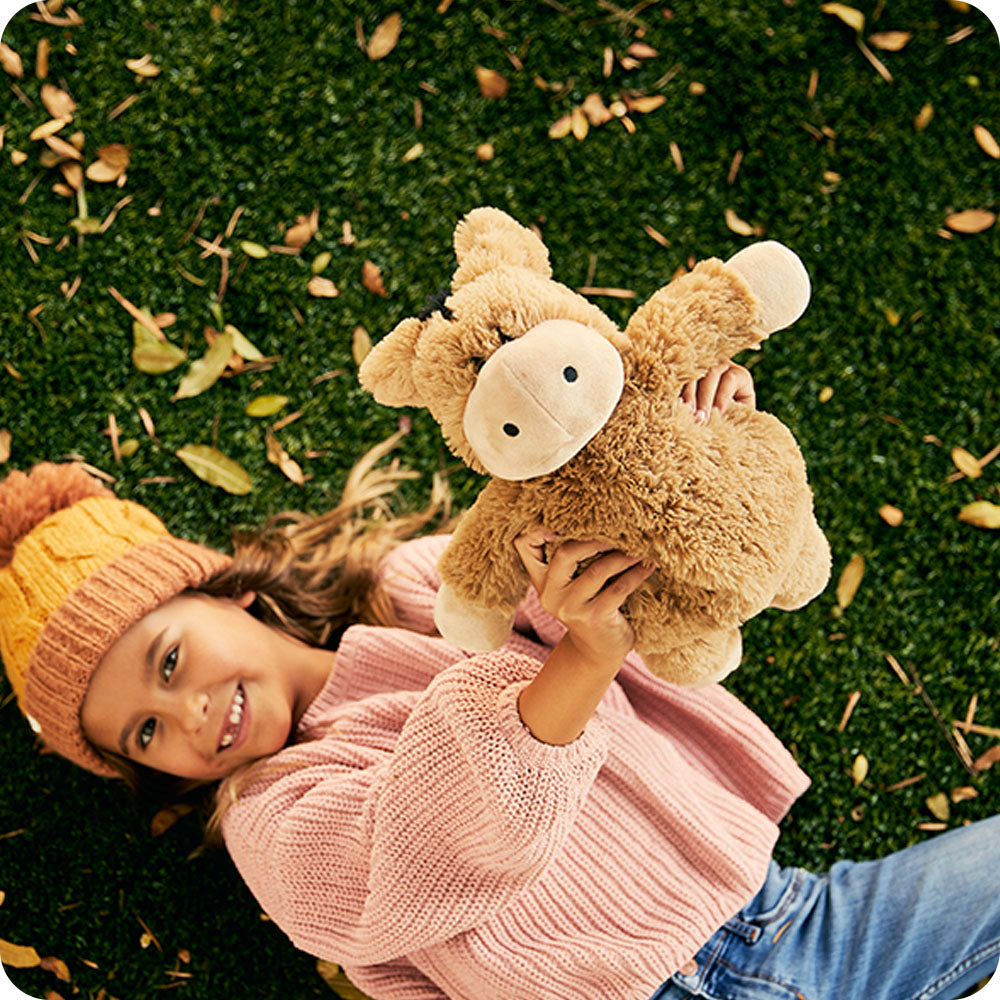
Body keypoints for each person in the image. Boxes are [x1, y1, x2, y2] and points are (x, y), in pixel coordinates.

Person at [0, 362, 997, 1000]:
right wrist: (576, 661)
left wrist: (704, 457)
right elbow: (441, 839)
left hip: (787, 912)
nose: (185, 714)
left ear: (228, 597)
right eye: (142, 734)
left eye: (167, 661)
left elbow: (645, 595)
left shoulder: (427, 590)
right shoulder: (272, 818)